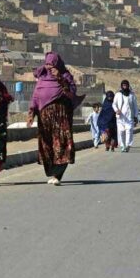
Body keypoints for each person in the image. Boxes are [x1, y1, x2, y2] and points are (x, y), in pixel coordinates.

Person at [27, 52, 84, 186]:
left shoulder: (65, 76)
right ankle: (52, 171)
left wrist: (60, 79)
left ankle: (57, 174)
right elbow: (36, 96)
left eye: (51, 64)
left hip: (61, 117)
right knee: (47, 145)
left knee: (61, 144)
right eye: (47, 64)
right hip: (44, 117)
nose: (48, 67)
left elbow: (71, 94)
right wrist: (31, 113)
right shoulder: (42, 78)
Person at [113, 80, 139, 153]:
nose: (125, 86)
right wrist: (116, 110)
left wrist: (136, 116)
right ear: (121, 86)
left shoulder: (132, 95)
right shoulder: (118, 94)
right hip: (120, 117)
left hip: (129, 117)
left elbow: (135, 106)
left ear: (128, 86)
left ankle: (128, 145)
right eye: (123, 85)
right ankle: (122, 145)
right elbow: (114, 104)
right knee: (121, 132)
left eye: (126, 85)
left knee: (129, 130)